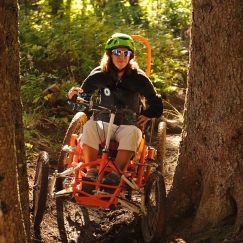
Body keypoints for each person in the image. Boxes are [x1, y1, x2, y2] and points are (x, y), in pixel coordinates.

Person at [68, 33, 163, 187]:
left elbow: (156, 103)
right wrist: (72, 97)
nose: (121, 57)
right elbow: (81, 101)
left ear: (131, 56)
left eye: (126, 53)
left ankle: (116, 174)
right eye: (117, 52)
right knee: (89, 127)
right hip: (103, 122)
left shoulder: (139, 78)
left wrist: (148, 114)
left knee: (133, 132)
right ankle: (92, 171)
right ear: (110, 54)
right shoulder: (98, 75)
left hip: (128, 125)